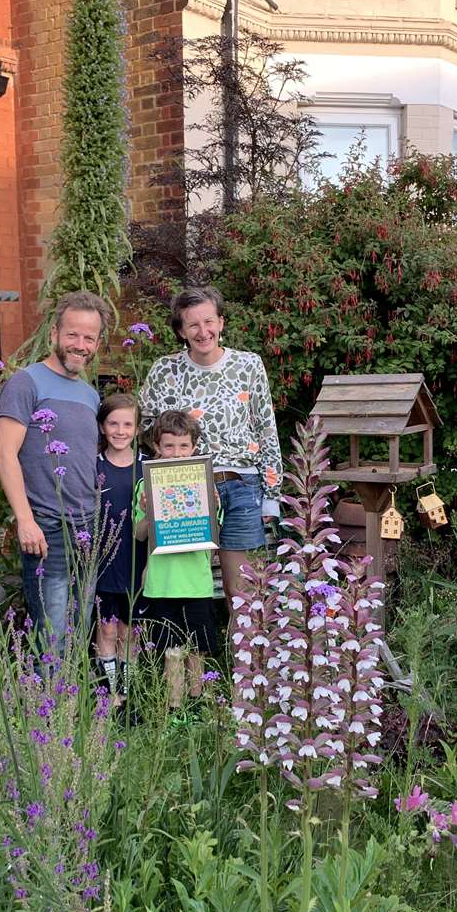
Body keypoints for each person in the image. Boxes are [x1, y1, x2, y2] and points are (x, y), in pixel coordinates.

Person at [139, 286, 282, 610]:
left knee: (241, 591)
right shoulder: (165, 371)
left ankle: (243, 660)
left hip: (241, 485)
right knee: (186, 590)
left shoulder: (248, 365)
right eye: (193, 325)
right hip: (185, 488)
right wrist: (159, 476)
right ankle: (190, 655)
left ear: (221, 322)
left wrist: (272, 494)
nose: (203, 332)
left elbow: (265, 426)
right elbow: (144, 428)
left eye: (209, 322)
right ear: (181, 331)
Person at [0, 291, 108, 646]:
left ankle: (74, 703)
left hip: (87, 524)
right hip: (47, 526)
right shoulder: (26, 383)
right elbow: (4, 455)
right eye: (73, 334)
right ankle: (47, 702)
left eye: (89, 337)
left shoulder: (90, 395)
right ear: (54, 334)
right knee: (53, 635)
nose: (80, 344)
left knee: (80, 629)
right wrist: (25, 521)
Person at [133, 410, 219, 708]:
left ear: (194, 447)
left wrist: (211, 506)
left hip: (197, 583)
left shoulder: (205, 483)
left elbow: (213, 532)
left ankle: (197, 704)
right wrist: (147, 512)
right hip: (162, 584)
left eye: (184, 446)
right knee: (171, 650)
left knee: (198, 650)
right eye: (169, 446)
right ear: (156, 446)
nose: (176, 452)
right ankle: (174, 708)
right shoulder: (146, 485)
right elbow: (140, 535)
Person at [93, 392, 143, 689]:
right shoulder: (92, 466)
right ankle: (111, 695)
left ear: (137, 429)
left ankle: (130, 690)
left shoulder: (149, 466)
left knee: (131, 632)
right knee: (107, 629)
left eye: (127, 425)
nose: (120, 431)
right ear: (102, 426)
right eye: (113, 424)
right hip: (103, 564)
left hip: (138, 562)